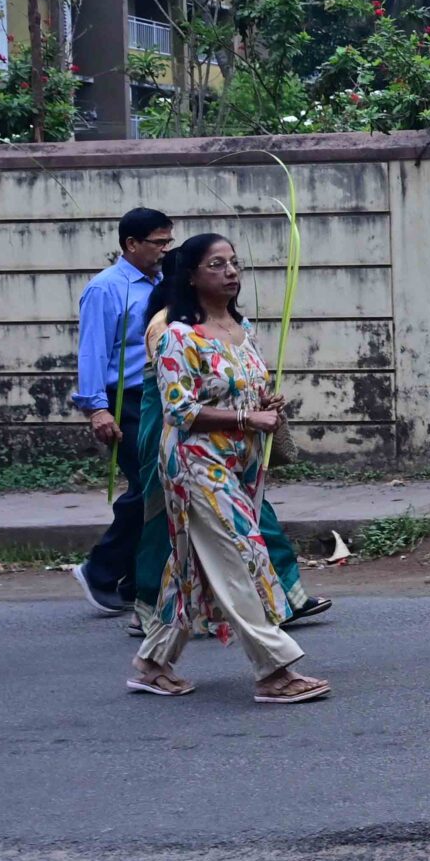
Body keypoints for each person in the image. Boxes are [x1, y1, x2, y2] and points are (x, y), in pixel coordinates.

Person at [125, 235, 328, 704]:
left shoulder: (242, 328)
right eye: (216, 264)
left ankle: (153, 662)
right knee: (242, 556)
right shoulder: (178, 335)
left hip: (241, 463)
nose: (231, 272)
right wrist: (246, 418)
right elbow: (179, 410)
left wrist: (264, 403)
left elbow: (243, 388)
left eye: (234, 263)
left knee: (190, 565)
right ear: (191, 276)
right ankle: (274, 669)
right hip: (196, 463)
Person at [70, 208, 173, 614]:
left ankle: (134, 580)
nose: (165, 250)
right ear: (131, 244)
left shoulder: (164, 283)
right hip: (123, 398)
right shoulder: (107, 288)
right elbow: (93, 350)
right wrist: (96, 408)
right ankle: (100, 570)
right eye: (158, 242)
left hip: (157, 395)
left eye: (168, 242)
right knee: (149, 486)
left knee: (160, 485)